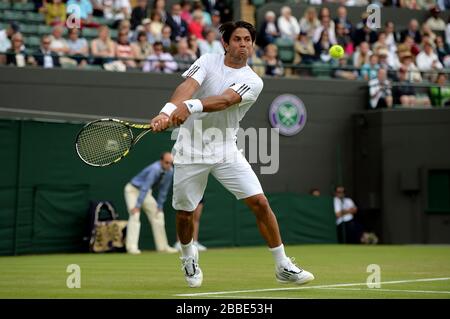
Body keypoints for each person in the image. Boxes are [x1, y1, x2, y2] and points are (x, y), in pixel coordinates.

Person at [150, 21, 314, 288]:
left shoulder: (253, 80)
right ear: (225, 43)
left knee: (260, 203)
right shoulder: (207, 61)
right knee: (184, 213)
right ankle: (189, 258)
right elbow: (188, 87)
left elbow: (225, 101)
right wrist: (167, 112)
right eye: (237, 39)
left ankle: (283, 265)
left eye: (248, 39)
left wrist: (189, 107)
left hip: (226, 150)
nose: (244, 44)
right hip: (190, 149)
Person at [124, 152, 178, 254]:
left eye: (171, 163)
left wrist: (160, 205)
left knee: (158, 215)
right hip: (132, 190)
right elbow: (145, 187)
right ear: (161, 161)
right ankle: (132, 247)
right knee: (135, 215)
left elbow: (164, 190)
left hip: (146, 193)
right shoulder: (155, 169)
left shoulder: (170, 171)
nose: (169, 165)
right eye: (167, 162)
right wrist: (137, 205)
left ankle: (162, 247)